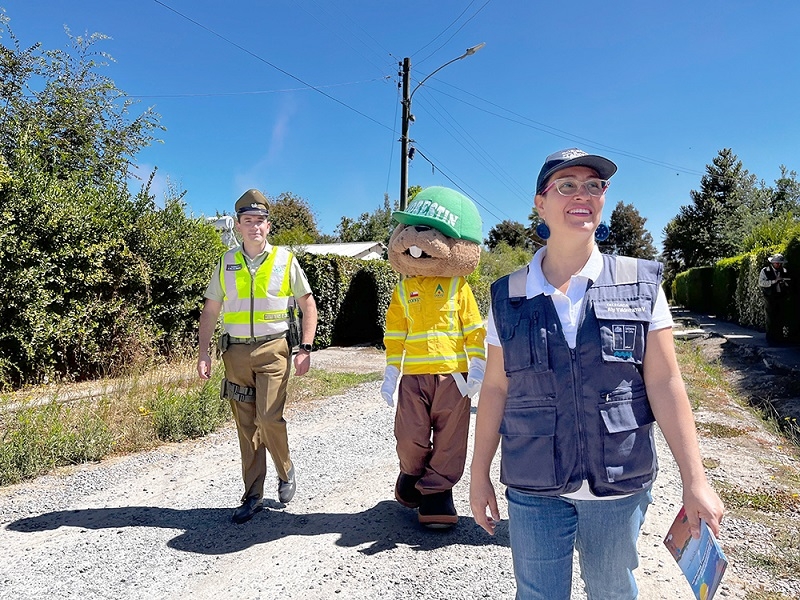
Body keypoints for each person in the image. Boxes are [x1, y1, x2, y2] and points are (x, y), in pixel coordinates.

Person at [469, 148, 724, 599]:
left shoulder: (641, 283)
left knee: (612, 592)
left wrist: (695, 479)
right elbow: (495, 387)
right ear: (540, 203)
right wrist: (479, 473)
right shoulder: (507, 295)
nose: (582, 194)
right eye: (567, 185)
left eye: (594, 185)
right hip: (534, 489)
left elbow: (665, 383)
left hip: (619, 490)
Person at [197, 189, 318, 524]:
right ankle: (252, 495)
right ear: (238, 225)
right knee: (246, 426)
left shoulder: (285, 260)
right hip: (234, 353)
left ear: (268, 225)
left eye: (260, 221)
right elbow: (210, 310)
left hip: (273, 350)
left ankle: (285, 468)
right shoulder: (226, 263)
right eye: (247, 221)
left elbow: (308, 304)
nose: (254, 227)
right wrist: (204, 352)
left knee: (268, 418)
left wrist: (305, 347)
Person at [758, 253, 790, 345]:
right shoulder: (765, 271)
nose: (778, 265)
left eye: (780, 263)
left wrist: (784, 283)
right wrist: (773, 282)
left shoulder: (784, 271)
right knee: (770, 317)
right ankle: (771, 339)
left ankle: (779, 338)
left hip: (781, 296)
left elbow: (790, 282)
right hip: (770, 297)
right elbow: (761, 283)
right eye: (777, 263)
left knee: (780, 317)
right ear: (772, 263)